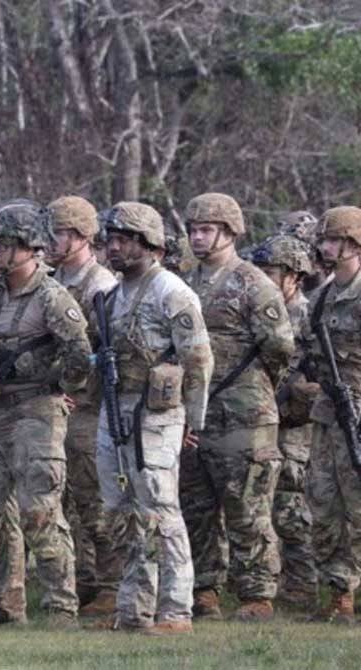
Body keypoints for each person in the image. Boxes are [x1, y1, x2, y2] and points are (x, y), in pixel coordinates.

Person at [93, 202, 212, 635]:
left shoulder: (171, 292)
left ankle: (176, 611)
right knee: (124, 511)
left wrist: (192, 424)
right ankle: (133, 610)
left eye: (124, 240)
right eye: (111, 240)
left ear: (149, 245)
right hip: (116, 408)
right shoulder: (109, 296)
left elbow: (198, 361)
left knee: (161, 510)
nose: (115, 248)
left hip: (156, 416)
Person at [0, 200, 91, 627]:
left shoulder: (52, 297)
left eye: (6, 244)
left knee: (40, 511)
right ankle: (7, 603)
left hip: (37, 412)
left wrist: (56, 382)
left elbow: (81, 354)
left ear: (29, 246)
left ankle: (61, 606)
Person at [181, 193, 294, 622]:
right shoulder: (186, 283)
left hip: (246, 414)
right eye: (193, 229)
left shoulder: (253, 283)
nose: (197, 236)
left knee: (248, 506)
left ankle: (257, 594)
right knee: (197, 506)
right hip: (197, 415)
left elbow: (280, 347)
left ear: (229, 233)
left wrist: (255, 389)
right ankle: (205, 590)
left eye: (206, 229)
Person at [45, 195, 122, 614]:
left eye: (58, 233)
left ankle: (111, 583)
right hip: (57, 404)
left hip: (89, 408)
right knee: (66, 500)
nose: (51, 241)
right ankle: (85, 579)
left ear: (78, 236)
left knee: (96, 498)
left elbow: (107, 349)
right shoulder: (53, 281)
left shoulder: (100, 287)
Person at [249, 234, 321, 608]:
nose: (262, 277)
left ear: (294, 275)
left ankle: (304, 585)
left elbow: (325, 370)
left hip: (295, 425)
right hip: (262, 417)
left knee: (291, 506)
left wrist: (300, 392)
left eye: (271, 271)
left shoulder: (309, 315)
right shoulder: (259, 309)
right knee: (260, 501)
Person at [304, 206, 361, 624]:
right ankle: (340, 592)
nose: (324, 247)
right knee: (324, 504)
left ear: (353, 244)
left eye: (332, 240)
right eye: (323, 240)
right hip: (328, 413)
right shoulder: (321, 295)